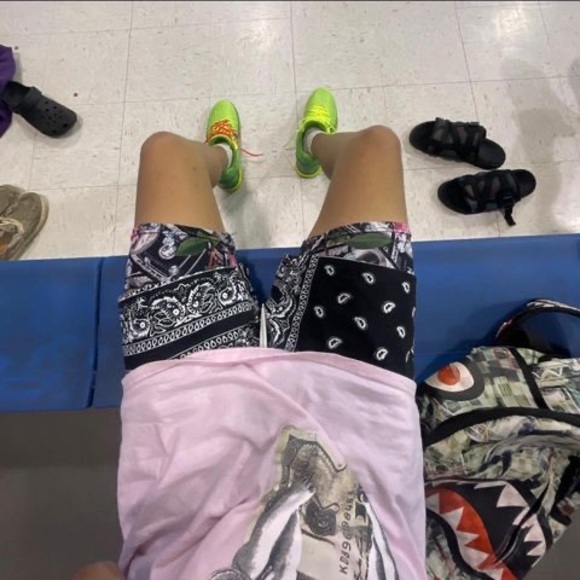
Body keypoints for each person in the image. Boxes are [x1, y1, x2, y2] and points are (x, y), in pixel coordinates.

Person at [73, 88, 426, 579]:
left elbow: (98, 573)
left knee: (165, 152)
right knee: (376, 146)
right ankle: (312, 142)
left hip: (190, 409)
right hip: (357, 398)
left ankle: (223, 155)